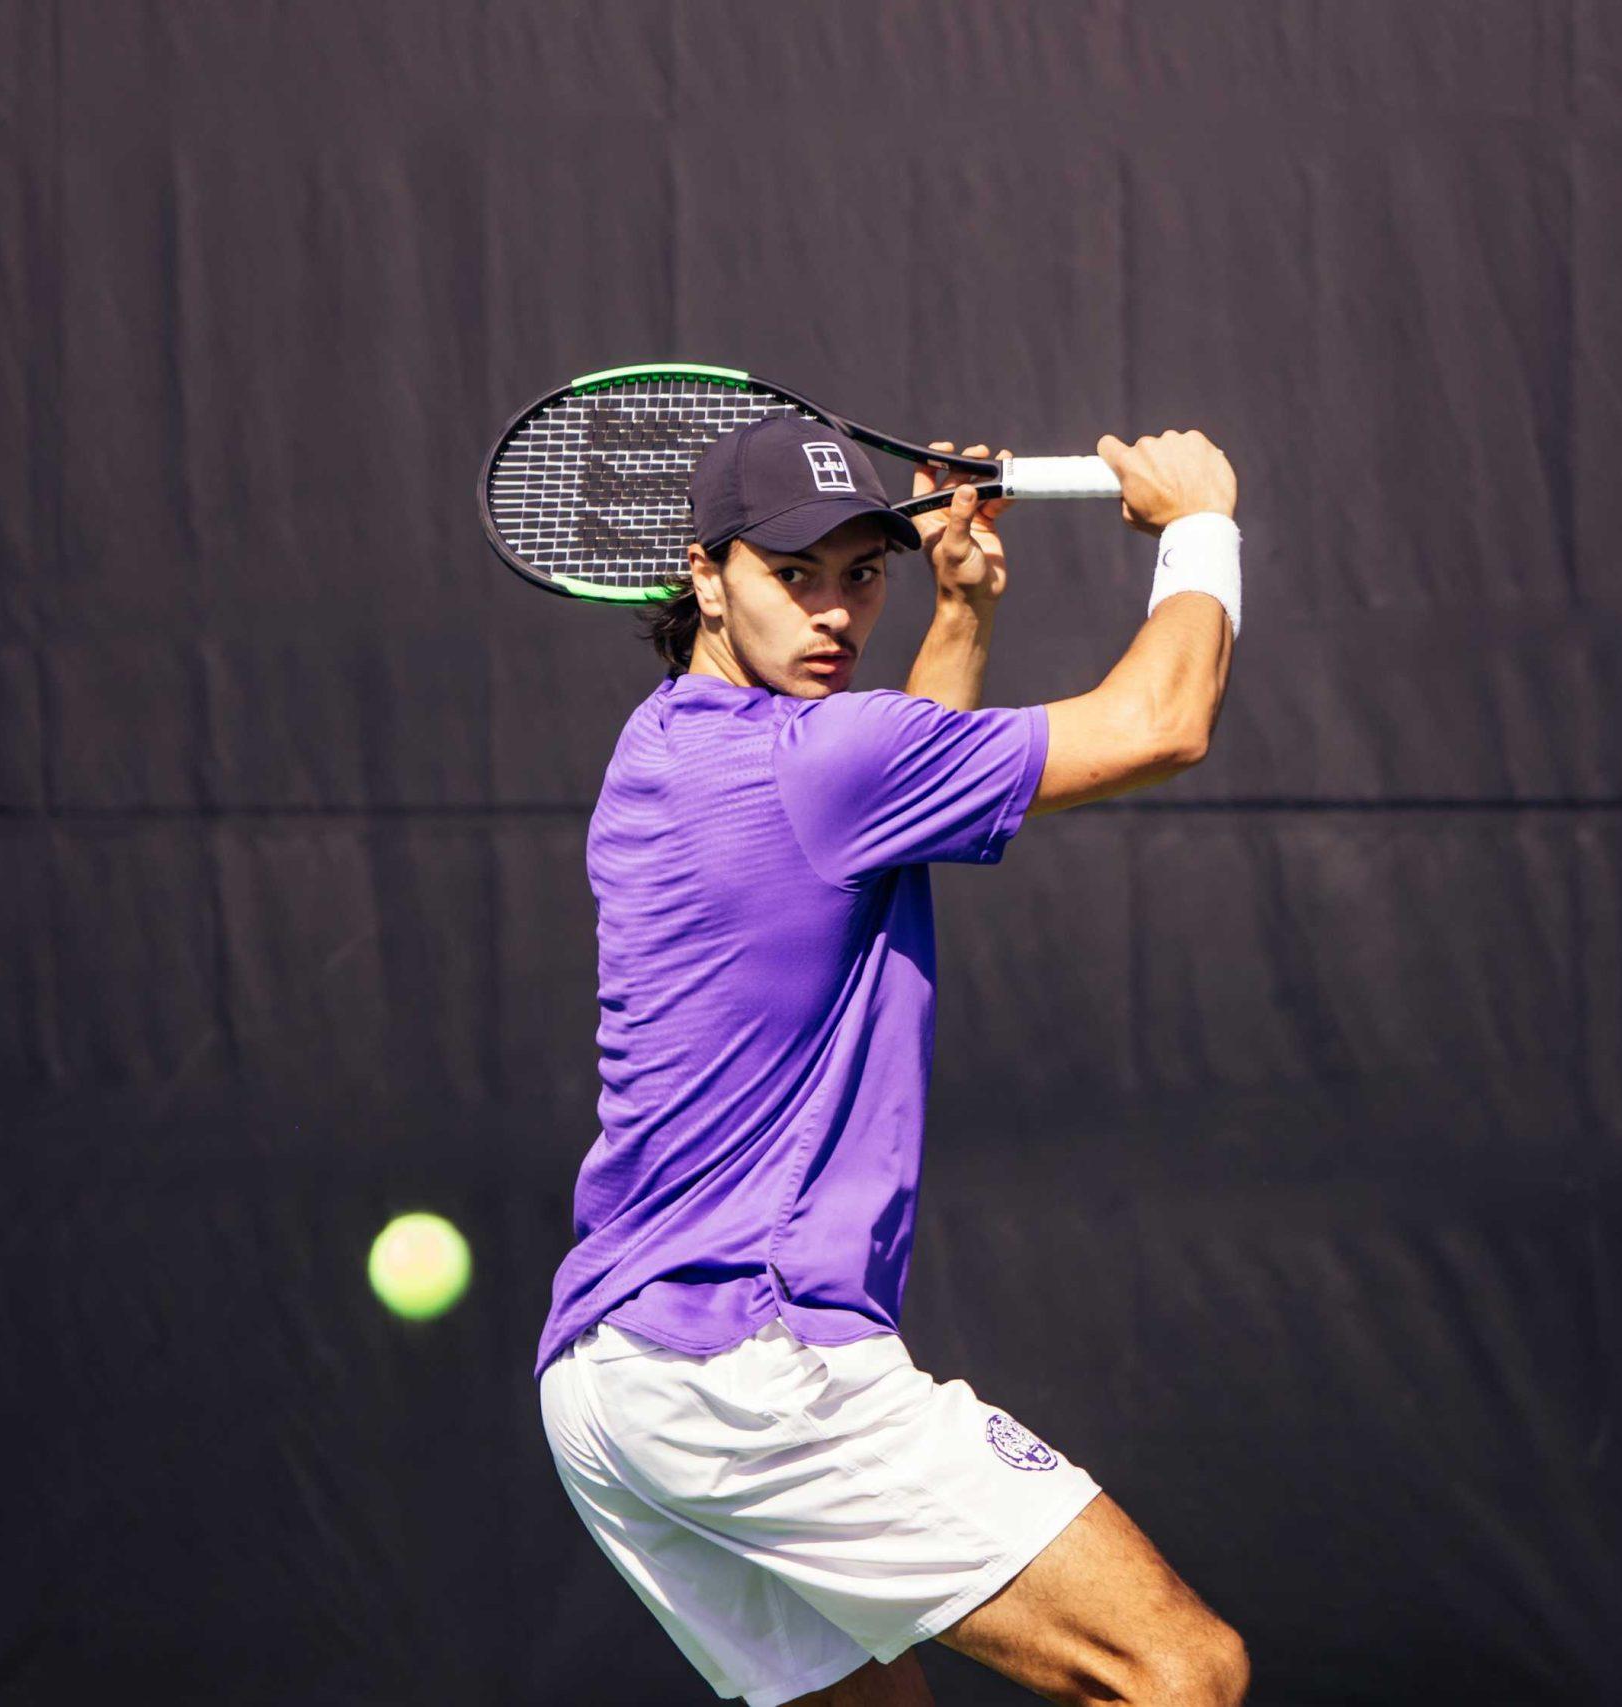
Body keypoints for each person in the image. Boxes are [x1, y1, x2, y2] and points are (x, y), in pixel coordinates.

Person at [534, 412, 1249, 1707]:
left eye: (863, 574)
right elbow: (1164, 721)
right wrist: (1201, 524)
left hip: (609, 1385)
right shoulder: (819, 765)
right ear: (704, 574)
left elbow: (885, 800)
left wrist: (959, 607)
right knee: (1179, 1672)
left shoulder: (663, 746)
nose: (833, 613)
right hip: (747, 1358)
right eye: (791, 574)